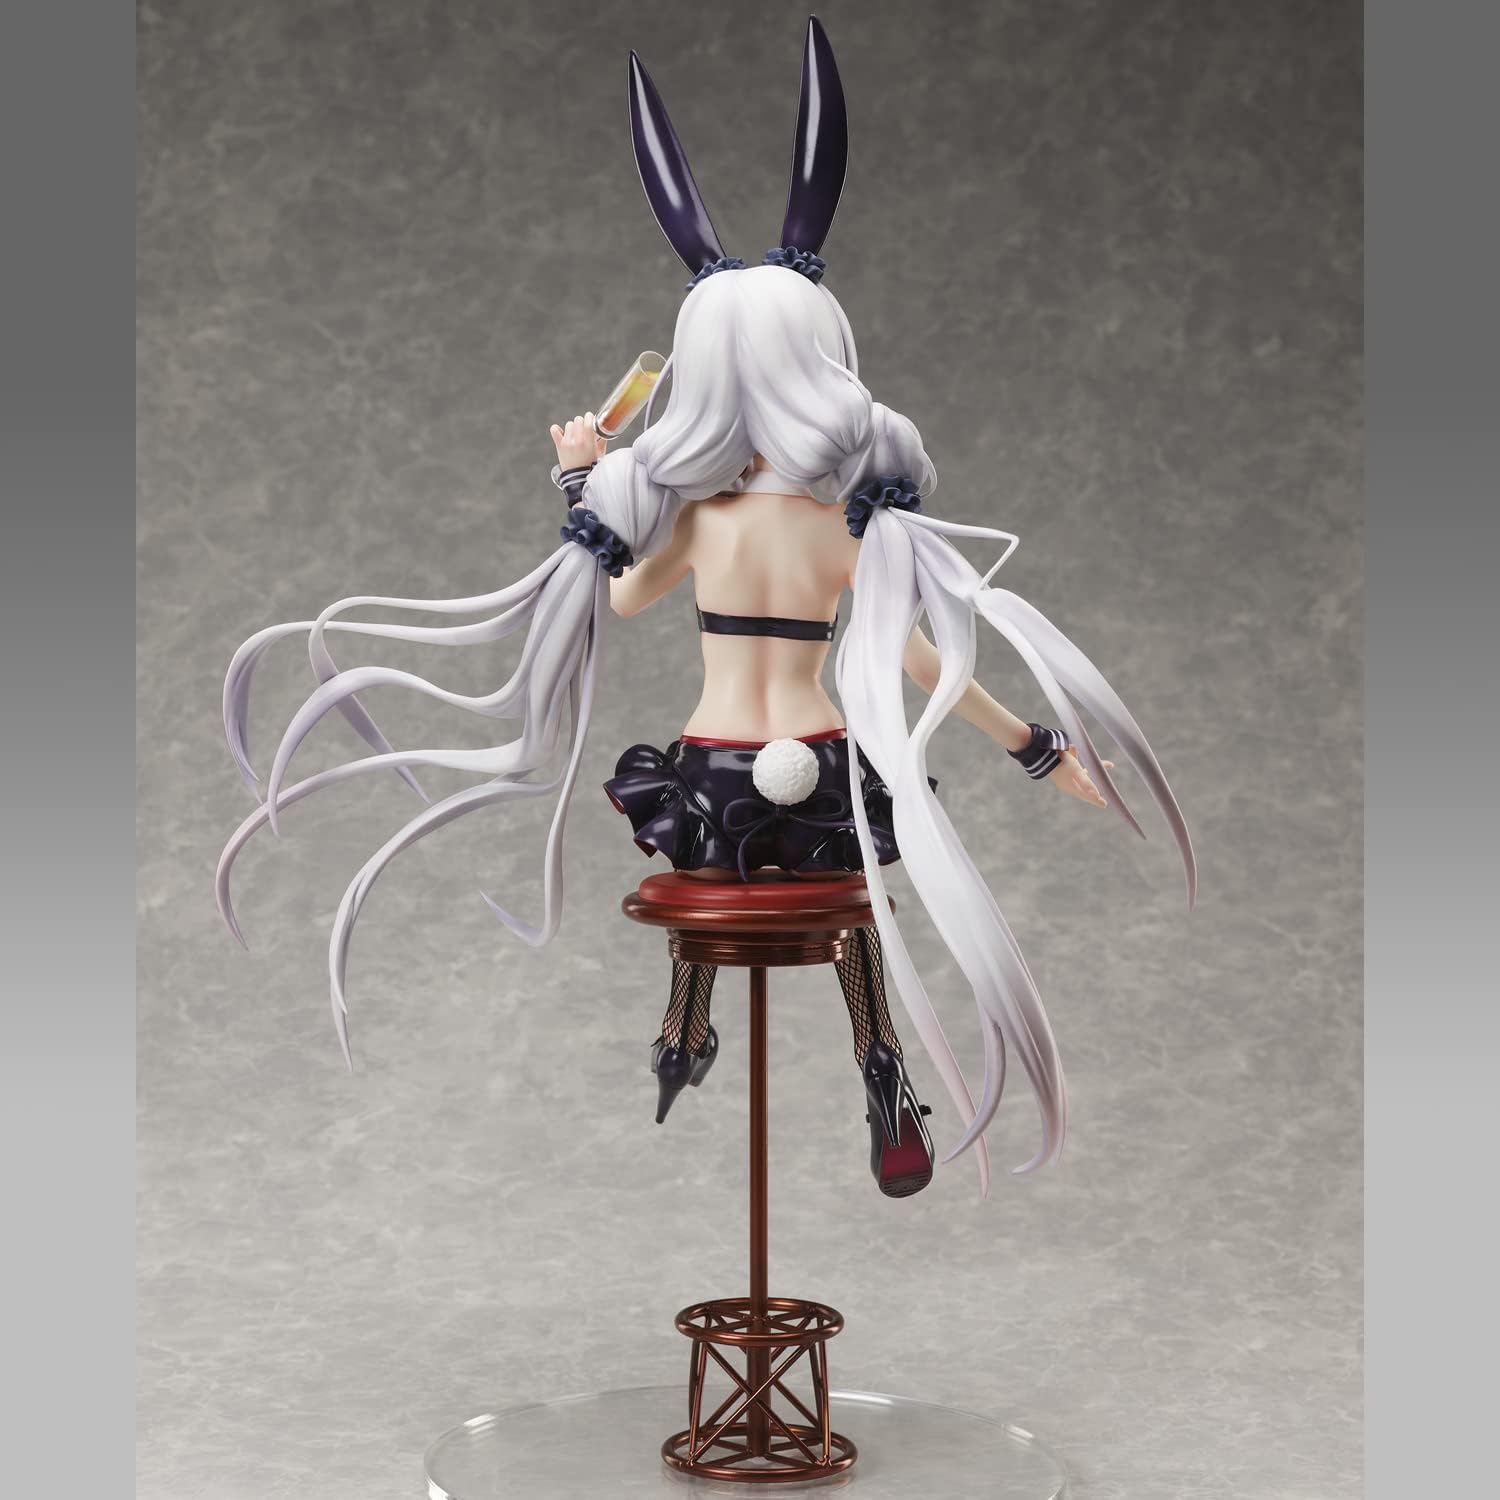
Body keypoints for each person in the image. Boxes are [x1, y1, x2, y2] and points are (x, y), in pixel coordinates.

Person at [218, 18, 1194, 1201]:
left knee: (705, 882)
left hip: (720, 766)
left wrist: (584, 482)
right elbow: (920, 660)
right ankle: (882, 1062)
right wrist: (1041, 751)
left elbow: (620, 597)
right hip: (821, 763)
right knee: (851, 913)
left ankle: (683, 1034)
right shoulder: (845, 530)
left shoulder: (697, 524)